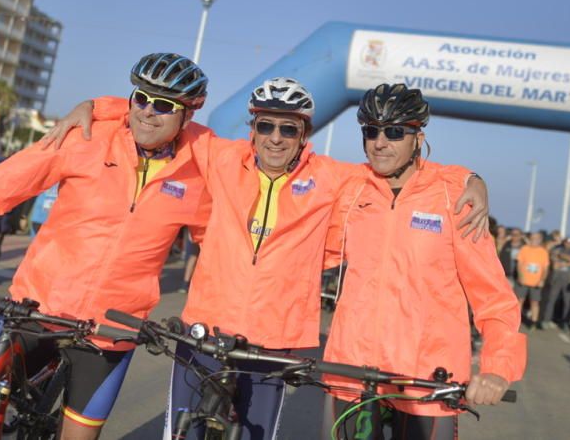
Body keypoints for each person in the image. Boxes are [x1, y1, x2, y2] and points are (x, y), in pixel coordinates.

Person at [47, 78, 491, 439]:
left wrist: (472, 177)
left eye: (288, 129)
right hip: (206, 329)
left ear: (304, 135)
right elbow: (164, 116)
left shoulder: (335, 177)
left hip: (274, 343)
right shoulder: (222, 158)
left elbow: (404, 173)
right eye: (265, 126)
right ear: (252, 128)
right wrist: (97, 105)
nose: (275, 138)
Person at [0, 52, 214, 440]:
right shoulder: (85, 137)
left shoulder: (201, 169)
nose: (148, 111)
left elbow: (221, 249)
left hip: (110, 328)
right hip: (35, 305)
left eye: (164, 105)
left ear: (188, 116)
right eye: (140, 98)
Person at [321, 84, 525, 439]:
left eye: (395, 132)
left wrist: (497, 368)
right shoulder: (352, 188)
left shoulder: (453, 197)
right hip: (352, 371)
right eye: (371, 131)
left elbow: (494, 299)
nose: (380, 142)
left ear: (418, 138)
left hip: (426, 379)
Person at [542, 235, 570, 329]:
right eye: (567, 242)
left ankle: (565, 322)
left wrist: (561, 257)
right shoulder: (557, 249)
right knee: (551, 299)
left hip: (569, 280)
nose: (568, 244)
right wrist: (564, 260)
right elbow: (554, 261)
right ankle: (546, 320)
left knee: (567, 301)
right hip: (557, 278)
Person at [515, 231, 550, 329]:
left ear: (540, 240)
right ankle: (515, 320)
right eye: (533, 238)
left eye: (537, 238)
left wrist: (542, 280)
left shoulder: (543, 252)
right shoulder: (524, 249)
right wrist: (520, 277)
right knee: (519, 301)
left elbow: (545, 269)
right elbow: (519, 264)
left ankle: (533, 322)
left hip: (536, 282)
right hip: (523, 281)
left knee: (535, 302)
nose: (534, 240)